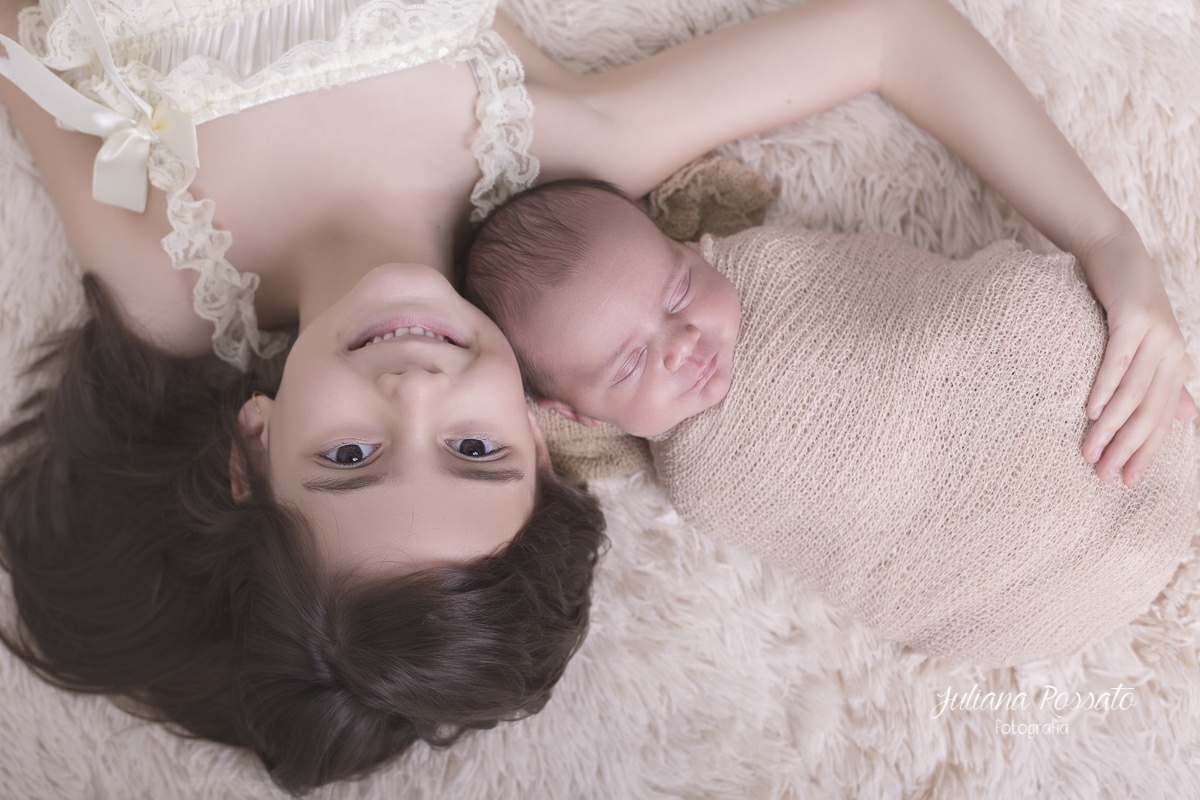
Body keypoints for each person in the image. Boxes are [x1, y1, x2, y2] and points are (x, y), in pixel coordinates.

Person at [0, 0, 1191, 790]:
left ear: (249, 447)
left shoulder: (171, 282)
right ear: (540, 425)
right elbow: (888, 34)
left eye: (352, 456)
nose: (413, 389)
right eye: (473, 447)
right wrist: (1108, 242)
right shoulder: (559, 159)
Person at [460, 178, 1199, 664]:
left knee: (1001, 311)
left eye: (679, 291)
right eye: (630, 364)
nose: (682, 344)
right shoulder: (703, 481)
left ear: (682, 246)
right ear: (576, 414)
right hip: (994, 579)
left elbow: (901, 299)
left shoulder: (765, 266)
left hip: (1031, 397)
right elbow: (847, 548)